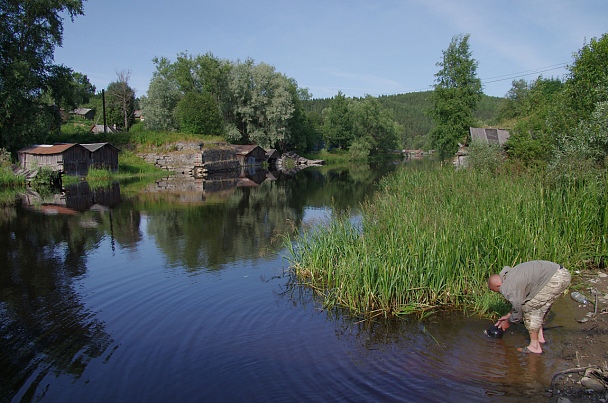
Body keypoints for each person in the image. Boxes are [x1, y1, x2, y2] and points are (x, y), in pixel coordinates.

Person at [488, 260, 571, 354]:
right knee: (537, 306)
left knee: (529, 308)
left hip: (555, 278)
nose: (500, 293)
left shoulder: (507, 286)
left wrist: (508, 321)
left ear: (498, 285)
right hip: (561, 274)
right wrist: (508, 315)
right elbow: (520, 301)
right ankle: (540, 339)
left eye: (497, 291)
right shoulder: (511, 275)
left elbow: (519, 309)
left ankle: (534, 346)